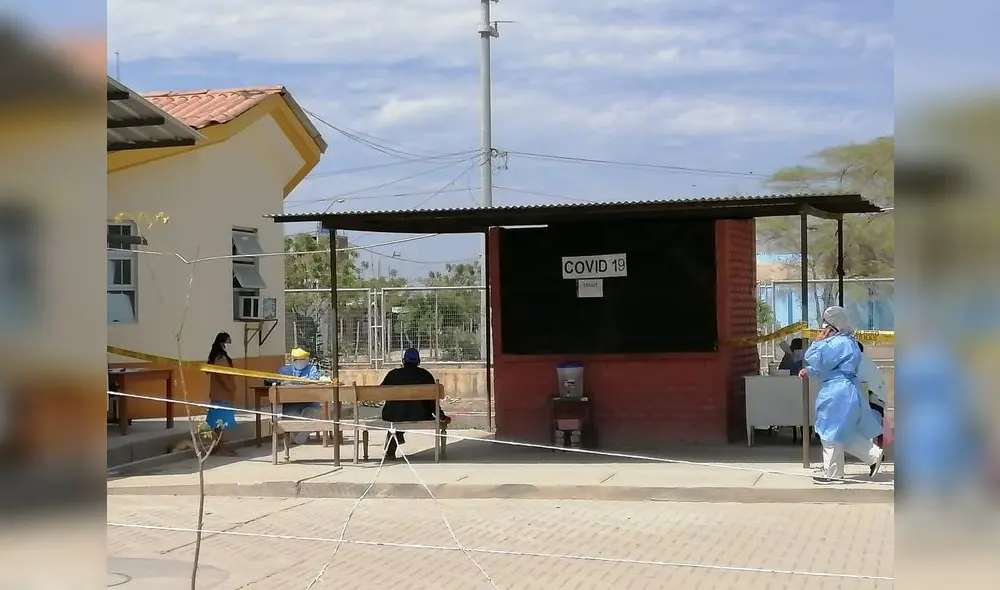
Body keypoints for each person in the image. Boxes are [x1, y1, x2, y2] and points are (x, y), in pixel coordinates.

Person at [798, 306, 884, 484]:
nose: (823, 331)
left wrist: (817, 342)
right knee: (843, 432)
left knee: (829, 433)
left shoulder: (837, 343)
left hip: (836, 392)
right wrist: (810, 371)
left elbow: (815, 357)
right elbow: (828, 366)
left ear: (833, 327)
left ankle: (833, 474)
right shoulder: (848, 342)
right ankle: (873, 455)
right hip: (844, 390)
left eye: (825, 327)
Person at [379, 348, 450, 460]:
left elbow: (381, 393)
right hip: (419, 414)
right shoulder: (426, 375)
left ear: (403, 361)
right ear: (418, 361)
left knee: (399, 415)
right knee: (405, 412)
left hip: (394, 415)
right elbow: (432, 402)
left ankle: (390, 451)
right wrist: (441, 415)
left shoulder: (393, 374)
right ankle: (395, 442)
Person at [266, 348, 322, 445]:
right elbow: (271, 380)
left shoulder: (312, 369)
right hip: (291, 404)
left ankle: (300, 437)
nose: (300, 362)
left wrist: (294, 381)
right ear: (293, 360)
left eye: (303, 359)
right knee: (290, 420)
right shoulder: (285, 370)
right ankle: (295, 436)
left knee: (312, 414)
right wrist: (281, 382)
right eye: (297, 359)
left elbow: (314, 379)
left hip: (310, 402)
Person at [205, 332, 238, 456]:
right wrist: (231, 387)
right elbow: (222, 376)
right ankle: (220, 446)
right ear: (222, 343)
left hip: (221, 394)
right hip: (222, 394)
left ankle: (217, 445)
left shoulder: (219, 356)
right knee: (220, 422)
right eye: (228, 342)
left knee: (220, 422)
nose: (230, 344)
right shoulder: (220, 357)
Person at [856, 341, 887, 447]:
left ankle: (874, 452)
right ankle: (877, 450)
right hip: (877, 401)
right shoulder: (869, 363)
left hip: (869, 400)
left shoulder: (858, 363)